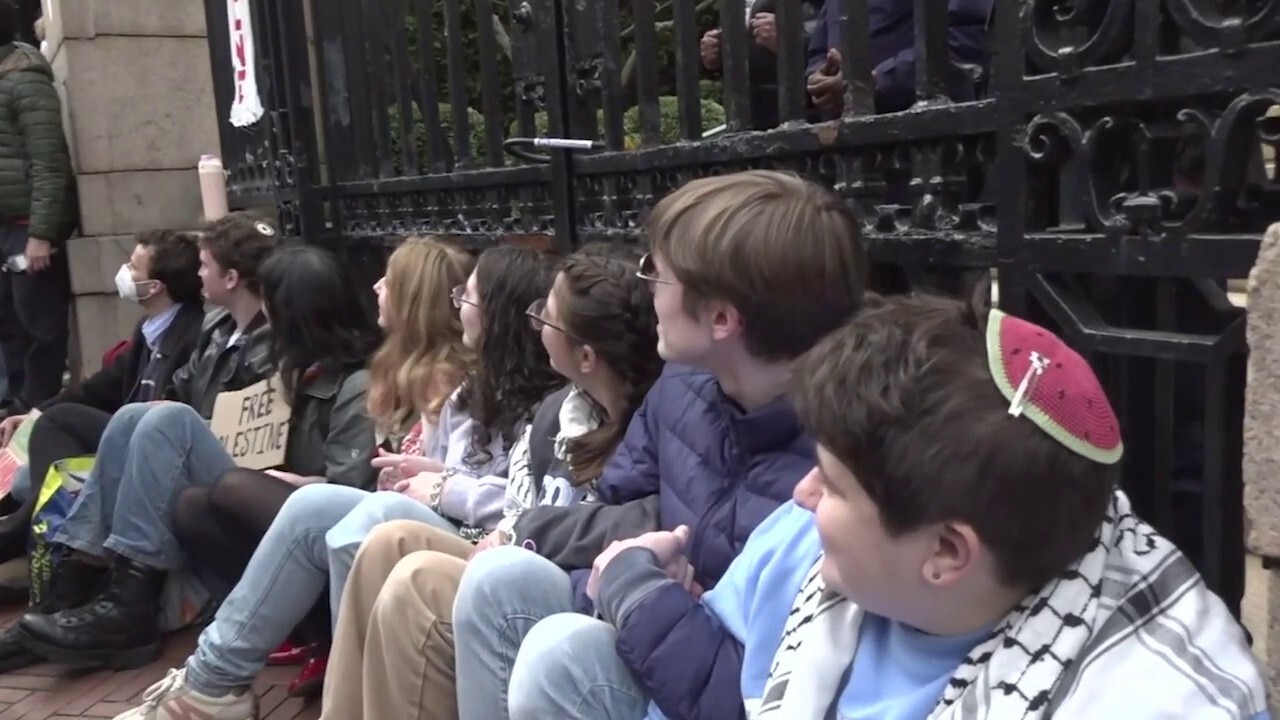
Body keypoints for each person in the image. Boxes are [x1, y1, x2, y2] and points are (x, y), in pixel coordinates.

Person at [513, 293, 1270, 719]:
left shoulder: (1152, 699)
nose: (802, 494)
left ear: (946, 553)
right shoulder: (809, 540)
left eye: (834, 486)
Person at [451, 170, 868, 720]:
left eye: (658, 272)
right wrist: (624, 571)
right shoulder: (681, 388)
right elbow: (612, 511)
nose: (646, 285)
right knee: (498, 579)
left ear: (721, 318)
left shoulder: (843, 460)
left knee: (559, 656)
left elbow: (769, 686)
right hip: (647, 621)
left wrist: (639, 586)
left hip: (716, 683)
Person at [107, 244, 563, 719]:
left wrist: (446, 485)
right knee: (296, 506)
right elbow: (453, 469)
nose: (376, 288)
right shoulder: (469, 385)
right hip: (436, 515)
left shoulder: (518, 394)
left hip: (480, 539)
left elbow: (525, 502)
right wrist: (429, 474)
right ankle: (212, 681)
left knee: (328, 512)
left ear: (498, 316)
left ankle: (335, 697)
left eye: (466, 299)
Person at [312, 243, 664, 720]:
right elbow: (517, 509)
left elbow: (624, 519)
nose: (535, 321)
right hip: (516, 556)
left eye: (548, 315)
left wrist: (456, 494)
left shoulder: (650, 423)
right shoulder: (560, 408)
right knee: (388, 540)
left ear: (586, 356)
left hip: (573, 587)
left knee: (416, 581)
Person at [12, 243, 381, 671]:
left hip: (301, 511)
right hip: (258, 487)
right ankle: (77, 587)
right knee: (135, 417)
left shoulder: (356, 382)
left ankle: (128, 603)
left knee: (169, 422)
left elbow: (351, 491)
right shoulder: (285, 361)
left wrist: (294, 481)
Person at [172, 235, 475, 697]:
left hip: (433, 527)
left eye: (389, 282)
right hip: (387, 510)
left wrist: (425, 478)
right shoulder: (393, 365)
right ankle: (216, 673)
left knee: (254, 491)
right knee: (195, 501)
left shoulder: (447, 380)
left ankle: (213, 676)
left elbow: (452, 479)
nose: (374, 286)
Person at [0, 229, 205, 508]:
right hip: (127, 439)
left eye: (133, 267)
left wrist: (47, 416)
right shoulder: (148, 331)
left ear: (155, 286)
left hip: (149, 449)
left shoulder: (192, 333)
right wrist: (33, 415)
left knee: (56, 429)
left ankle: (26, 530)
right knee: (26, 477)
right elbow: (96, 388)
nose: (124, 272)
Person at [0, 0, 77, 413]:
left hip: (28, 226)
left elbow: (48, 160)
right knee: (10, 326)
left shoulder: (24, 76)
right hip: (6, 226)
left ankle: (36, 415)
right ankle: (15, 412)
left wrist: (41, 234)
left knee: (39, 331)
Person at [806, 0, 992, 116]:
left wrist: (877, 81)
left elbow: (965, 39)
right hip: (842, 145)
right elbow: (820, 47)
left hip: (927, 134)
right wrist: (819, 77)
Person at [700, 0, 825, 129]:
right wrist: (717, 56)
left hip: (811, 123)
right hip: (751, 125)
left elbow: (835, 49)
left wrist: (795, 42)